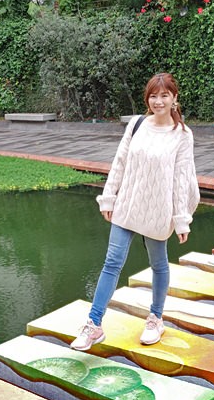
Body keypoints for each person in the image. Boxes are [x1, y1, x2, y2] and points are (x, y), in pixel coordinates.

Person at [71, 72, 199, 351]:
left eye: (164, 95)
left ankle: (155, 318)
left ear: (174, 98)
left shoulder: (182, 136)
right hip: (128, 204)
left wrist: (181, 220)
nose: (158, 101)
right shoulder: (137, 124)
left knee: (158, 264)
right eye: (153, 95)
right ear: (147, 98)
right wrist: (108, 197)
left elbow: (181, 179)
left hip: (158, 210)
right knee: (112, 261)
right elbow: (120, 162)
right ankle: (94, 325)